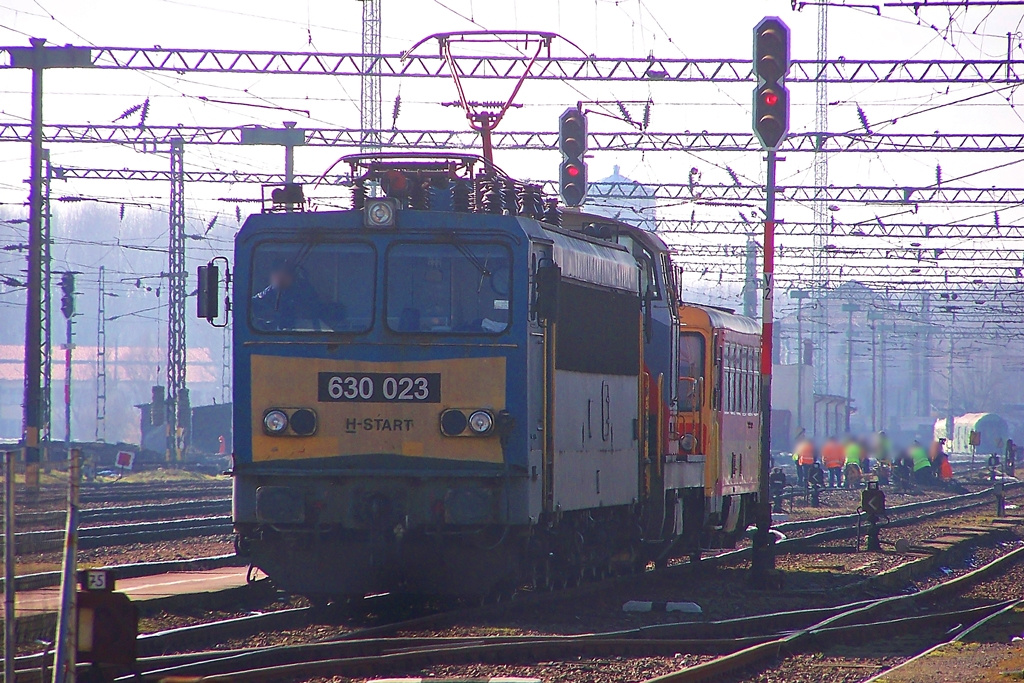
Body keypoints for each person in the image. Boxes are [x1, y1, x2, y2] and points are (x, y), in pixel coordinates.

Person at [251, 258, 343, 331]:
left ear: (292, 275)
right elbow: (254, 304)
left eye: (286, 272)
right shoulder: (271, 291)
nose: (281, 276)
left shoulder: (304, 289)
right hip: (276, 335)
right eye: (277, 272)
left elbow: (314, 309)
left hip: (304, 333)